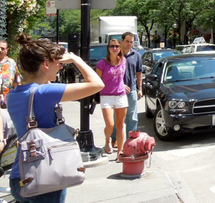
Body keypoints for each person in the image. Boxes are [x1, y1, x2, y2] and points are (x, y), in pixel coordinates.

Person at [7, 34, 104, 203]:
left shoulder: (14, 94)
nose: (60, 67)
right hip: (44, 178)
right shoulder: (43, 93)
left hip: (20, 176)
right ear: (45, 64)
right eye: (57, 63)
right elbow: (97, 84)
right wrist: (75, 59)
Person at [96, 39, 128, 159]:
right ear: (108, 48)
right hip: (106, 96)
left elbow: (120, 78)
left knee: (120, 125)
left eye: (117, 46)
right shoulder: (102, 64)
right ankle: (108, 139)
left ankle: (120, 151)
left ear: (120, 48)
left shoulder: (123, 61)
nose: (114, 48)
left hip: (121, 96)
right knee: (110, 125)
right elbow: (97, 81)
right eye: (112, 46)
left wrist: (122, 85)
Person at [110, 32, 142, 149]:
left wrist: (140, 89)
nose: (129, 44)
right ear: (122, 41)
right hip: (117, 91)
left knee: (132, 117)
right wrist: (120, 84)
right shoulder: (116, 54)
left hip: (132, 90)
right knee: (117, 117)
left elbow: (139, 73)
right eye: (127, 41)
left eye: (131, 41)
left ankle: (131, 141)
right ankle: (114, 139)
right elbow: (111, 72)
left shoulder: (136, 55)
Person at [0, 39, 20, 109]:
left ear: (7, 50)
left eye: (2, 48)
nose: (0, 50)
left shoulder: (12, 63)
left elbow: (17, 81)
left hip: (7, 100)